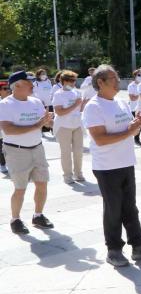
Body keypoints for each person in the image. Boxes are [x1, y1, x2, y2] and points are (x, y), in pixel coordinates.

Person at [83, 65, 141, 267]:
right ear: (100, 82)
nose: (118, 81)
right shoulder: (94, 107)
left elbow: (130, 130)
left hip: (126, 162)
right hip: (107, 166)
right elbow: (100, 139)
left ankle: (139, 246)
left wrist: (138, 123)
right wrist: (130, 131)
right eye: (113, 78)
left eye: (117, 77)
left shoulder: (120, 102)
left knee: (130, 207)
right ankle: (114, 250)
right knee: (113, 209)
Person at [0, 71, 55, 234]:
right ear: (16, 85)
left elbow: (47, 123)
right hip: (16, 151)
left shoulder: (36, 102)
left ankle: (38, 215)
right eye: (28, 82)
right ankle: (15, 219)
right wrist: (38, 124)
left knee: (42, 184)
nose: (33, 85)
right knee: (20, 188)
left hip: (37, 148)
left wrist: (50, 121)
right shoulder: (5, 104)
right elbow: (8, 129)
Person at [51, 70, 86, 184]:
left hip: (77, 124)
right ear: (64, 81)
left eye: (74, 81)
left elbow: (80, 109)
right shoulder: (58, 94)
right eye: (71, 81)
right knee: (65, 152)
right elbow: (59, 112)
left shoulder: (76, 92)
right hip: (63, 126)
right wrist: (76, 104)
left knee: (78, 151)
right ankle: (67, 176)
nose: (73, 83)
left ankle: (78, 173)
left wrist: (84, 104)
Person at [0, 80, 9, 175]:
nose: (8, 90)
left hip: (9, 129)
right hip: (1, 130)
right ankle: (2, 164)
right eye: (5, 89)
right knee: (1, 148)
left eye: (8, 88)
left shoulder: (11, 101)